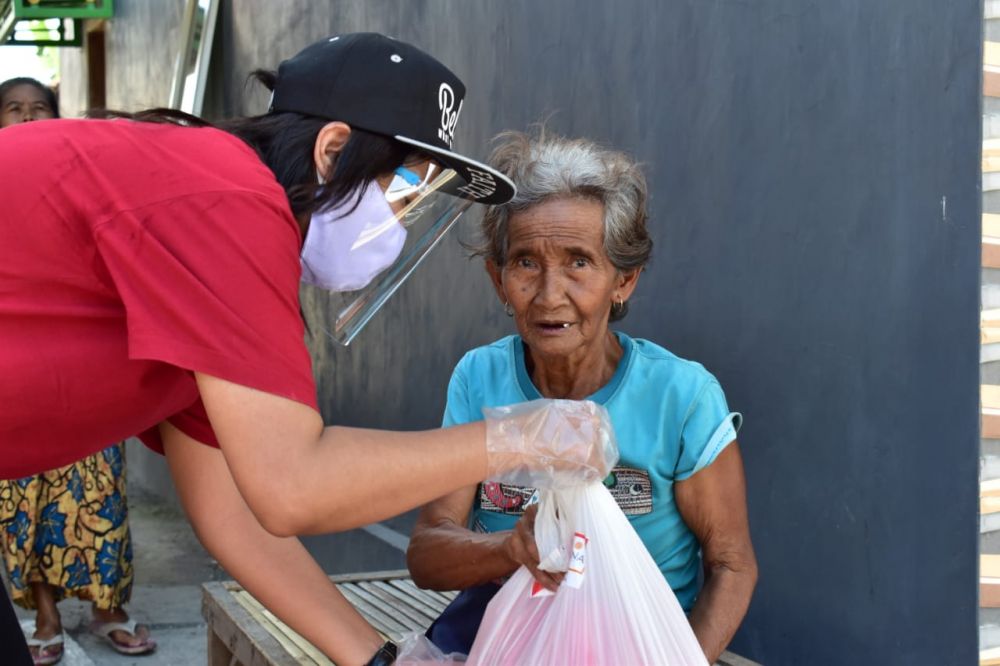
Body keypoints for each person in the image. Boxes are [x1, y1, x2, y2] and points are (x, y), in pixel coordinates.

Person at [0, 34, 616, 666]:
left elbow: (236, 514)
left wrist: (384, 658)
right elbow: (293, 486)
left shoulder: (205, 235)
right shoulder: (226, 202)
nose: (399, 225)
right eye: (404, 194)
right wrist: (520, 437)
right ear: (334, 150)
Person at [406, 130, 758, 663]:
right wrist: (509, 549)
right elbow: (428, 554)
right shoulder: (480, 379)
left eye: (578, 262)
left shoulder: (680, 397)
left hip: (636, 641)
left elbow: (732, 564)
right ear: (498, 281)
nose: (550, 295)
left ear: (625, 281)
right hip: (508, 634)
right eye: (525, 263)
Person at [0, 77, 154, 666]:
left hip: (85, 370)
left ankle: (108, 606)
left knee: (99, 494)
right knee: (22, 500)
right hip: (15, 373)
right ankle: (44, 615)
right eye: (13, 109)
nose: (27, 117)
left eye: (39, 109)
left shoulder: (80, 183)